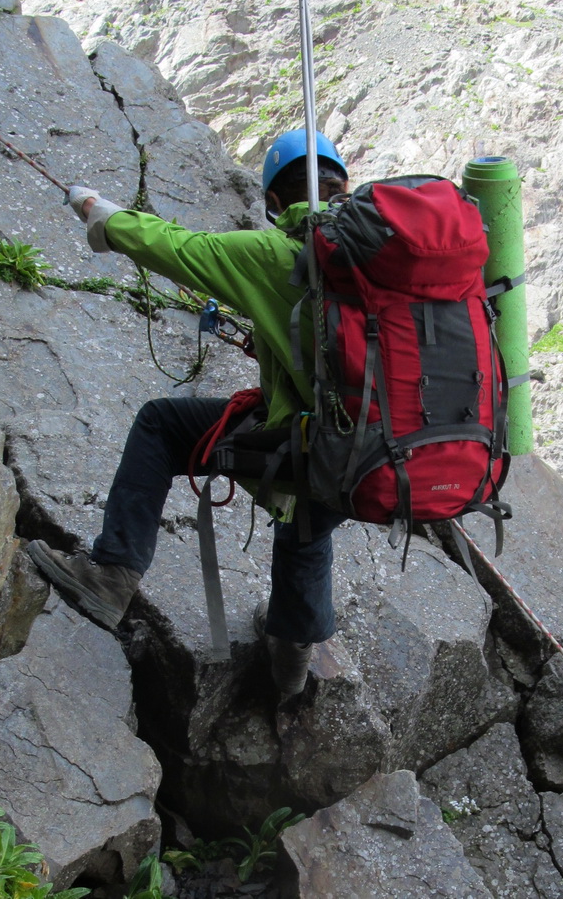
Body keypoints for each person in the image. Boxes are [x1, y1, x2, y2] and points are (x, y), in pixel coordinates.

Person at [26, 129, 350, 697]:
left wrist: (96, 209)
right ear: (343, 185)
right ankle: (291, 663)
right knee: (311, 506)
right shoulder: (378, 260)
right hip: (386, 445)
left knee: (162, 424)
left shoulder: (278, 253)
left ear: (274, 202)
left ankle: (111, 575)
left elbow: (176, 248)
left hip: (311, 440)